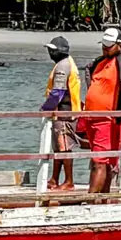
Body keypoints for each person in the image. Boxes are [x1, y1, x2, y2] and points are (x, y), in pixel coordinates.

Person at [78, 28, 121, 194]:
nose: (105, 48)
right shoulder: (99, 61)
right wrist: (93, 92)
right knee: (100, 161)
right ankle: (102, 199)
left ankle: (90, 200)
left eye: (109, 46)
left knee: (100, 162)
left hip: (108, 119)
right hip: (91, 117)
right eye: (103, 45)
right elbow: (87, 69)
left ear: (119, 44)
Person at [40, 36, 83, 190]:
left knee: (64, 147)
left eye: (52, 50)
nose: (50, 53)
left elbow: (58, 91)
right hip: (65, 111)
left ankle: (69, 181)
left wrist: (46, 108)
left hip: (65, 112)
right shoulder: (67, 63)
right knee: (58, 147)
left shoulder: (63, 66)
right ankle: (54, 179)